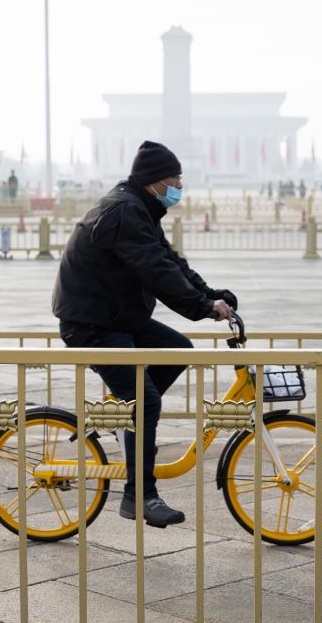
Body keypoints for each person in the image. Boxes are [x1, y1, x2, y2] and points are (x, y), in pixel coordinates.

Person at [52, 140, 237, 528]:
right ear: (156, 181)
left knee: (178, 349)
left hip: (117, 318)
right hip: (92, 323)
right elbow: (154, 269)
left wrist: (209, 294)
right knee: (146, 402)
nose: (179, 188)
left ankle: (127, 416)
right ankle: (140, 496)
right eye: (176, 180)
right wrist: (202, 308)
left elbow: (170, 261)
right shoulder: (125, 212)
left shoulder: (141, 208)